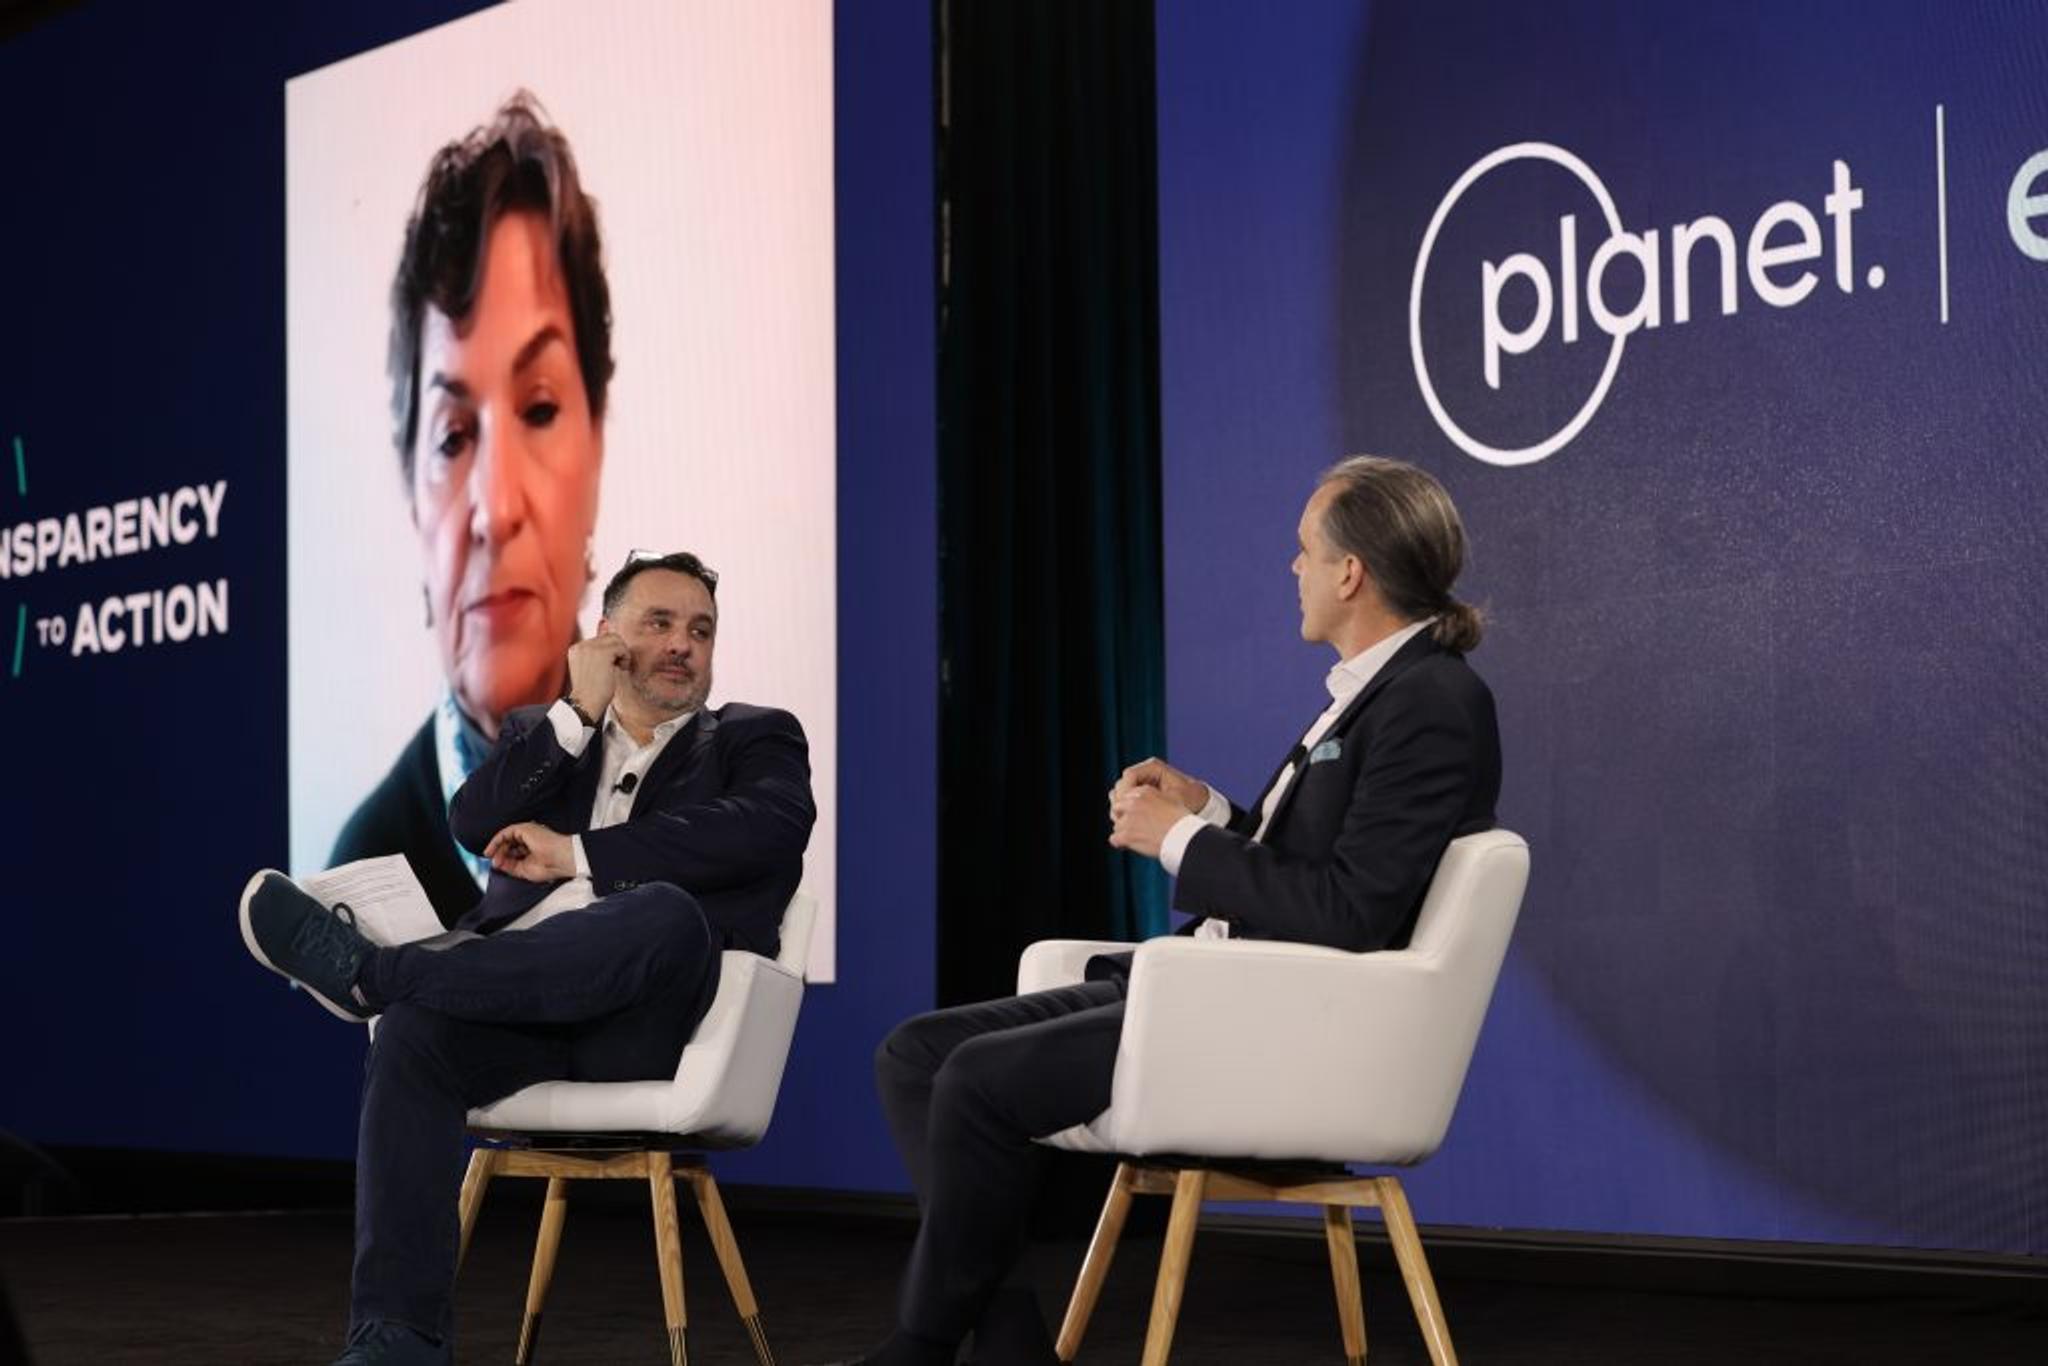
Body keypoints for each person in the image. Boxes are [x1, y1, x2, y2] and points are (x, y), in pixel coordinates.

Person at [837, 456, 1502, 1366]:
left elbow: (1352, 910)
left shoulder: (1433, 701)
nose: (1291, 570)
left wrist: (1178, 843)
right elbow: (1315, 859)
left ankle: (922, 1348)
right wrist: (1212, 812)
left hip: (1271, 1019)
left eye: (1304, 552)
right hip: (1206, 988)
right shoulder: (1381, 691)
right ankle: (1007, 1342)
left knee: (976, 1084)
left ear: (1352, 573)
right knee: (915, 1056)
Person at [241, 552, 814, 1366]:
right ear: (606, 638)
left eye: (701, 630)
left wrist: (578, 854)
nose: (684, 644)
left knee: (659, 910)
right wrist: (577, 710)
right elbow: (471, 821)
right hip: (522, 1014)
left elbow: (767, 828)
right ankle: (397, 1342)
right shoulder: (543, 739)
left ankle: (374, 972)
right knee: (411, 1037)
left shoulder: (754, 736)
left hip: (647, 1026)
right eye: (660, 623)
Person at [331, 91, 616, 926]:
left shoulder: (685, 794)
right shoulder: (357, 877)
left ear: (596, 443)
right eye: (453, 438)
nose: (493, 507)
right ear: (407, 488)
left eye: (537, 409)